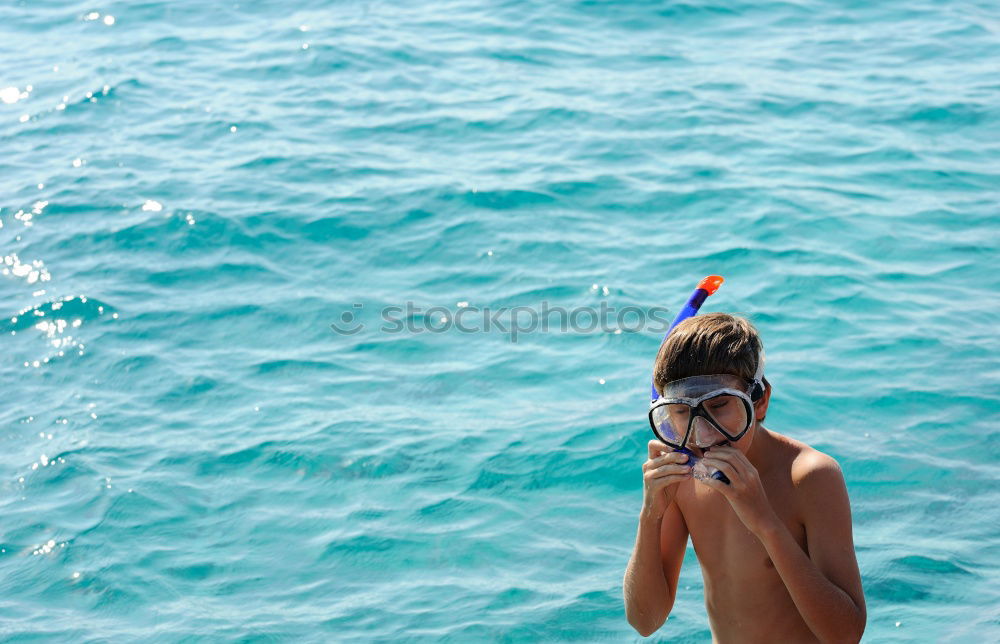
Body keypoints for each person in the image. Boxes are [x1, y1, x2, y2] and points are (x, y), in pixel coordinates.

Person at [623, 313, 866, 642]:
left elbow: (845, 635)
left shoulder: (809, 477)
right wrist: (650, 514)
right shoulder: (681, 479)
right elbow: (645, 621)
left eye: (720, 405)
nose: (704, 432)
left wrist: (765, 522)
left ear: (760, 400)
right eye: (682, 412)